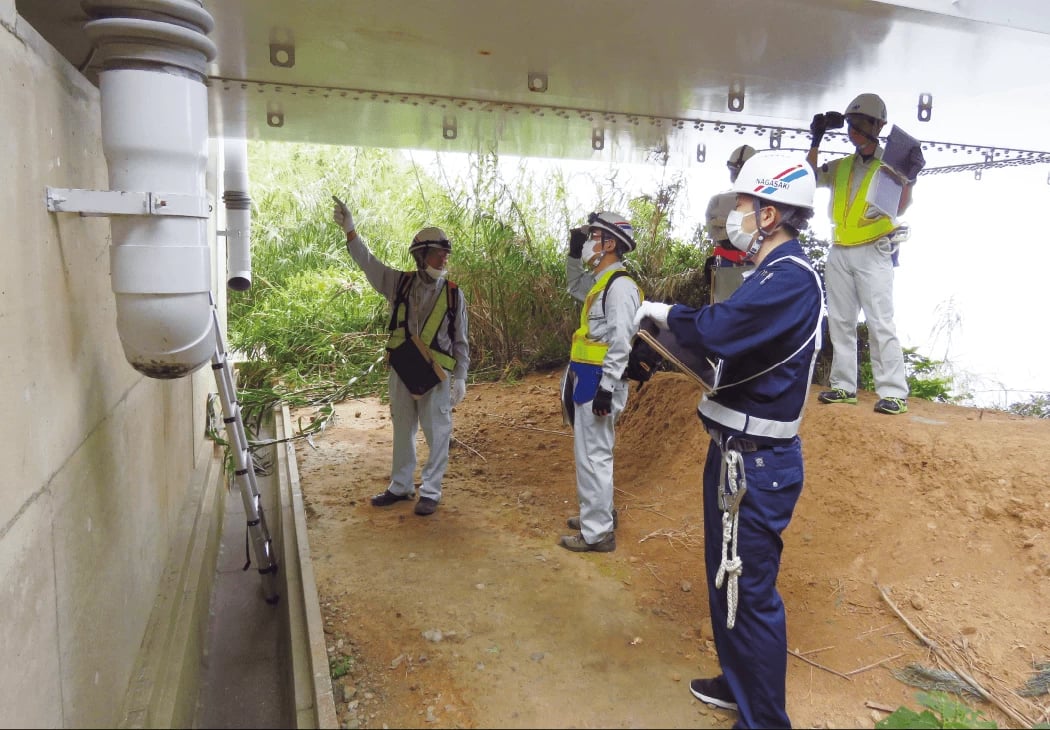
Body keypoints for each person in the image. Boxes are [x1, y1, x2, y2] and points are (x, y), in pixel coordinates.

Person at [632, 151, 824, 728]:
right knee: (727, 575)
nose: (733, 214)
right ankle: (737, 681)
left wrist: (665, 313)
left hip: (757, 466)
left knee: (751, 591)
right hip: (735, 456)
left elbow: (721, 331)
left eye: (743, 204)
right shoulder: (767, 274)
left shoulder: (791, 278)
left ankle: (764, 719)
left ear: (769, 214)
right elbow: (731, 354)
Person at [332, 197, 469, 516]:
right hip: (403, 370)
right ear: (421, 256)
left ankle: (431, 491)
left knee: (438, 433)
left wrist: (461, 377)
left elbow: (461, 341)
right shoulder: (399, 283)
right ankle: (401, 486)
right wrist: (350, 231)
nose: (444, 259)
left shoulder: (454, 294)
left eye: (446, 254)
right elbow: (369, 262)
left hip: (437, 375)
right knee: (403, 429)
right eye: (437, 253)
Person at [807, 92, 912, 415]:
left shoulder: (889, 165)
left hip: (874, 250)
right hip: (840, 249)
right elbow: (809, 177)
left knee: (880, 322)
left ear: (878, 125)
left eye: (860, 124)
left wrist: (909, 178)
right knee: (840, 322)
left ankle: (893, 392)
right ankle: (843, 387)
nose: (854, 131)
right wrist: (816, 139)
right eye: (851, 124)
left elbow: (901, 206)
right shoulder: (842, 166)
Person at [560, 211, 642, 553]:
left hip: (600, 384)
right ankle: (598, 514)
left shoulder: (620, 287)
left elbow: (622, 342)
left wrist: (607, 388)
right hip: (588, 381)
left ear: (610, 244)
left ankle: (598, 533)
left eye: (593, 237)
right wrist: (572, 254)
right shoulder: (601, 284)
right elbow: (574, 285)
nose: (588, 243)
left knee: (594, 457)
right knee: (592, 455)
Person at [704, 145, 757, 303]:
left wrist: (727, 226)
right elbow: (715, 234)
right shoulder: (718, 200)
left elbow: (716, 234)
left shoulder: (718, 201)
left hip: (735, 269)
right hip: (732, 268)